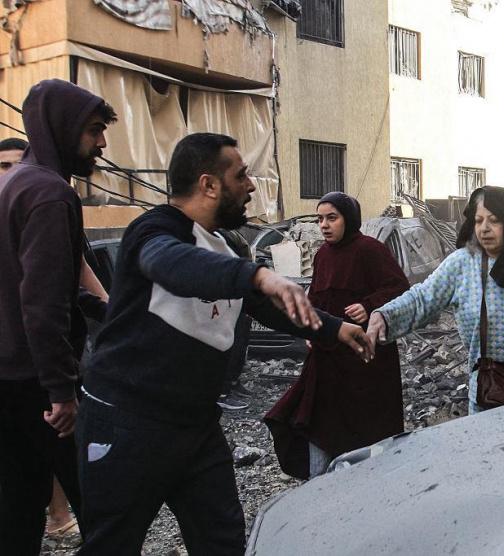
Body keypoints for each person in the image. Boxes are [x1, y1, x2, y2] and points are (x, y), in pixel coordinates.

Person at [76, 133, 373, 555]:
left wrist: (334, 329)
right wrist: (257, 275)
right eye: (241, 175)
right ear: (209, 185)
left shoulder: (222, 245)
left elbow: (264, 306)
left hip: (195, 426)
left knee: (222, 542)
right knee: (111, 544)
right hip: (127, 421)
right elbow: (169, 263)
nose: (251, 186)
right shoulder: (154, 230)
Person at [0, 79, 116, 555]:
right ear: (62, 129)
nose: (102, 143)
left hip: (10, 376)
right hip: (38, 383)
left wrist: (107, 310)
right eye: (93, 130)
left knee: (18, 504)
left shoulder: (15, 182)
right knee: (103, 504)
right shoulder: (49, 194)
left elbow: (46, 284)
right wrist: (61, 391)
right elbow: (41, 302)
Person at [367, 186, 504, 414]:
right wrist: (385, 316)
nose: (484, 228)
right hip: (487, 394)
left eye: (494, 220)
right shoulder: (462, 264)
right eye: (479, 220)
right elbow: (423, 298)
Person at [265, 192, 410, 478]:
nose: (324, 225)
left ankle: (368, 482)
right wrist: (310, 328)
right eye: (320, 219)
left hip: (365, 361)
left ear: (349, 219)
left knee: (367, 428)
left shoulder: (370, 250)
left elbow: (399, 289)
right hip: (327, 359)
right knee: (319, 421)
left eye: (332, 218)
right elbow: (316, 299)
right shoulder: (323, 255)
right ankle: (320, 484)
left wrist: (369, 305)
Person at [216, 228, 254, 411]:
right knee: (229, 346)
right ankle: (223, 393)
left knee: (240, 344)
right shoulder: (219, 234)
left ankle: (232, 382)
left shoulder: (232, 232)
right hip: (228, 299)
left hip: (240, 295)